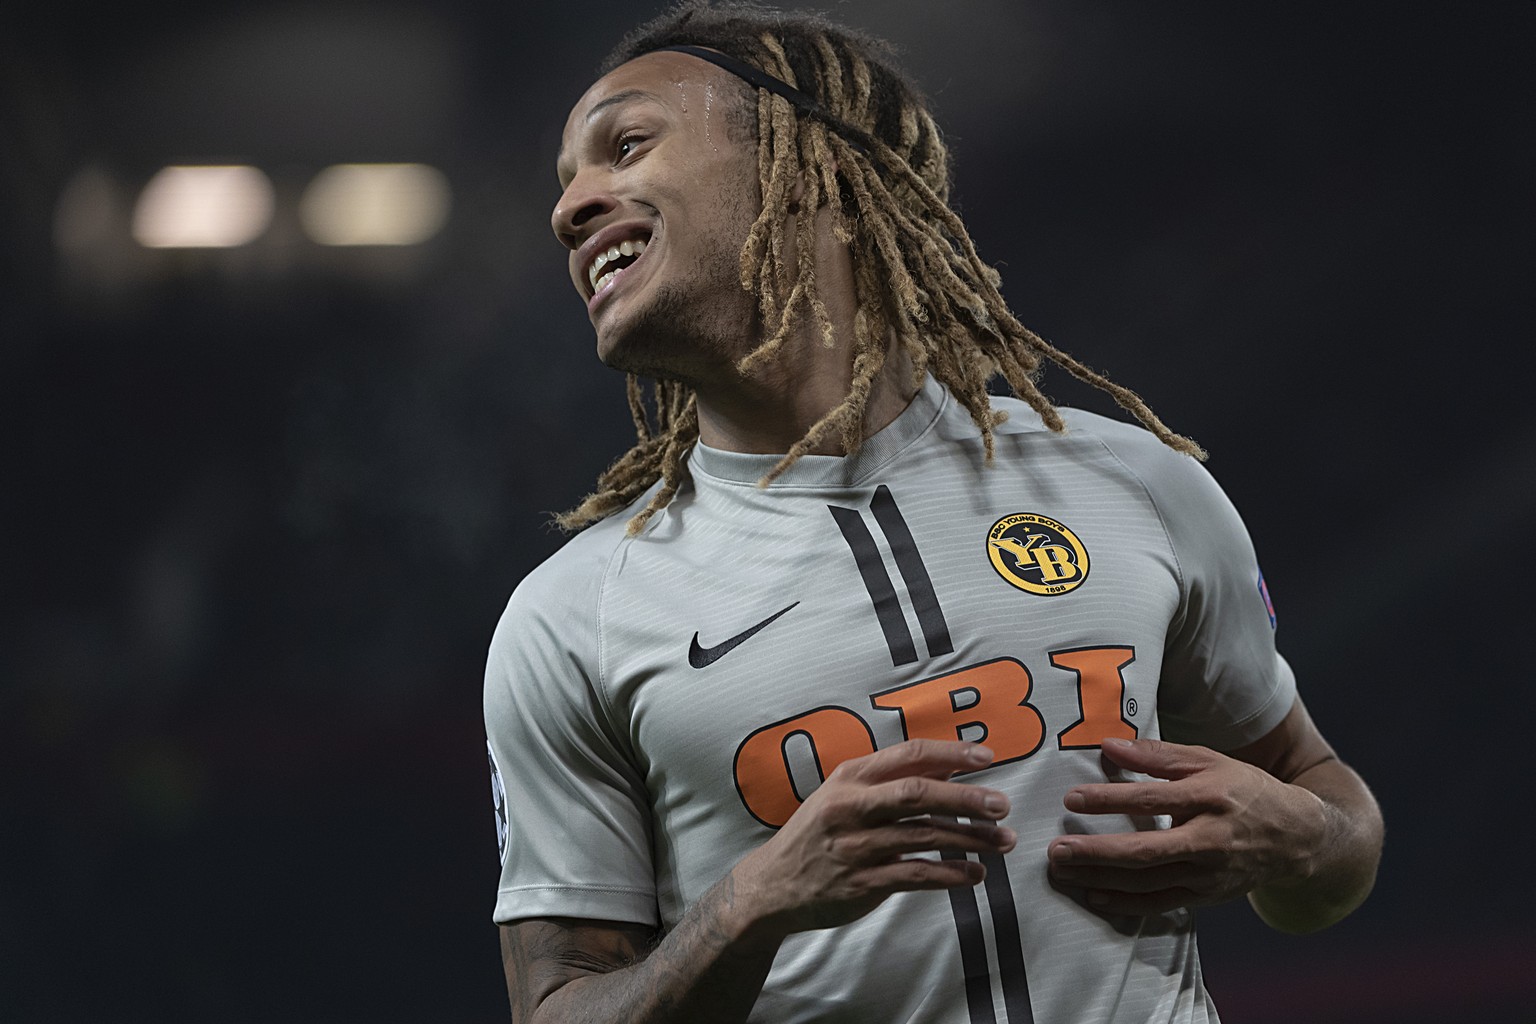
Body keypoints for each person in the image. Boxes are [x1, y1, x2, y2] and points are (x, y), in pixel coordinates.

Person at [483, 2, 1384, 1021]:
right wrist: (746, 906)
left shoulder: (1134, 484)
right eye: (566, 182)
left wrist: (1306, 843)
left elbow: (1324, 815)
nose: (570, 209)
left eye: (626, 146)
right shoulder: (573, 618)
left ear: (809, 161)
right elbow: (557, 1007)